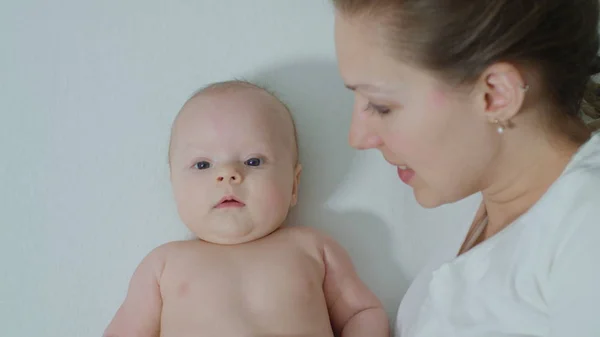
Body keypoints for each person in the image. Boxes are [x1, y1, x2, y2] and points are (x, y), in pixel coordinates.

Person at [330, 0, 600, 336]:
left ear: (496, 94)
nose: (358, 137)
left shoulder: (587, 227)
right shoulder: (486, 201)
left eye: (381, 106)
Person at [102, 80, 389, 337]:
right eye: (202, 164)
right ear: (174, 185)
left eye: (253, 161)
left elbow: (361, 313)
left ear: (293, 184)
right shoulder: (163, 265)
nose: (227, 174)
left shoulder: (312, 248)